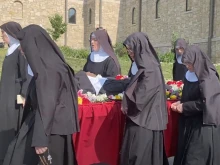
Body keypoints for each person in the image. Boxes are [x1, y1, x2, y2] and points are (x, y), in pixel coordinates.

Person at [3, 25, 79, 165]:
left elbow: (48, 106)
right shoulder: (49, 66)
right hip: (46, 126)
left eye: (24, 45)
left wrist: (40, 139)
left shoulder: (49, 71)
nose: (21, 49)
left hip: (49, 131)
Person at [120, 32, 168, 165]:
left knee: (139, 155)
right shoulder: (144, 64)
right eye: (128, 50)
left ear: (139, 47)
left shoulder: (150, 68)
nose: (129, 53)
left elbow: (142, 96)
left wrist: (126, 101)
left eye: (131, 49)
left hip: (145, 120)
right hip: (145, 118)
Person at [171, 41, 220, 165]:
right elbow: (189, 95)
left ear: (197, 61)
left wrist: (184, 107)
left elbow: (206, 103)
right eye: (185, 63)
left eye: (189, 63)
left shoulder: (208, 77)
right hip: (189, 122)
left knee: (194, 158)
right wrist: (180, 102)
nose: (187, 66)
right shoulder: (190, 74)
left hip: (203, 125)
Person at [0, 22, 30, 165]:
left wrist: (22, 95)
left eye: (3, 33)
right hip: (6, 94)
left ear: (11, 34)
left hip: (14, 95)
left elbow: (26, 76)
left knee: (12, 123)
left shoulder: (20, 51)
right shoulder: (11, 50)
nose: (2, 36)